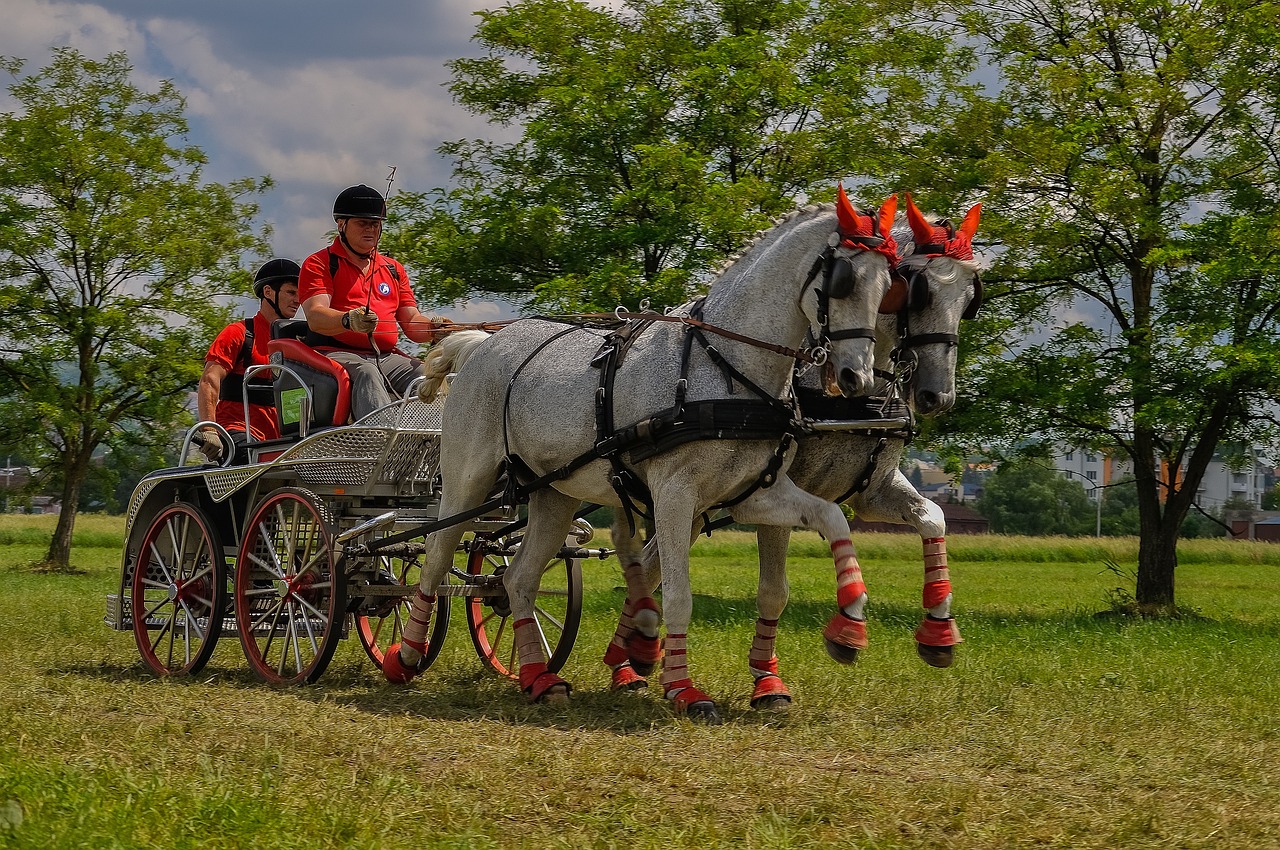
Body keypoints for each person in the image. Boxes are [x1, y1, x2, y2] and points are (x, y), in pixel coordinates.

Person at [297, 184, 447, 420]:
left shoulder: (393, 269)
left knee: (426, 374)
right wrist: (348, 320)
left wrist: (434, 329)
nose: (370, 229)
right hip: (335, 352)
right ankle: (380, 437)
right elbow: (316, 316)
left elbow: (411, 322)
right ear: (341, 225)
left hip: (386, 356)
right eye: (362, 223)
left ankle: (432, 438)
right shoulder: (319, 263)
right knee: (367, 372)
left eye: (375, 224)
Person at [196, 258, 302, 463]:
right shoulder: (238, 334)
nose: (297, 300)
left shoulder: (298, 343)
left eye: (300, 294)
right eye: (291, 292)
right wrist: (209, 429)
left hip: (281, 439)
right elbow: (209, 380)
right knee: (247, 458)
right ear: (268, 292)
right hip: (238, 431)